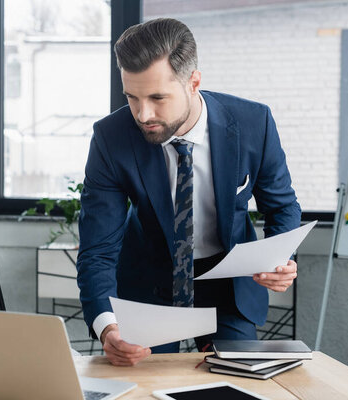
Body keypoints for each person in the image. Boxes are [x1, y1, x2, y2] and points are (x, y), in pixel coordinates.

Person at [76, 18, 301, 366]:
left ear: (193, 81)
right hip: (149, 284)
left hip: (228, 283)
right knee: (140, 386)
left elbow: (281, 206)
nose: (143, 114)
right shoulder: (112, 138)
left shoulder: (254, 123)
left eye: (157, 97)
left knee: (237, 382)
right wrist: (108, 327)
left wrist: (281, 259)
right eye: (131, 97)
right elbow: (98, 248)